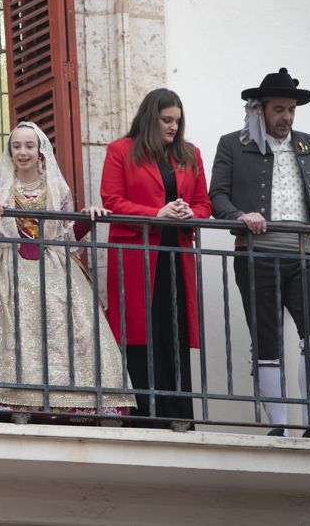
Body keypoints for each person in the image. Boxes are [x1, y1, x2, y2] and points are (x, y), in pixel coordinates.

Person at [208, 68, 310, 437]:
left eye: (291, 110)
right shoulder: (233, 143)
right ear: (259, 110)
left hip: (302, 252)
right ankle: (280, 426)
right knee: (268, 342)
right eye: (279, 109)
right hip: (256, 255)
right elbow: (217, 196)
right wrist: (239, 215)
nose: (287, 117)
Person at [0, 122, 135, 415]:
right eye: (16, 146)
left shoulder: (55, 186)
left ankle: (72, 404)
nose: (22, 152)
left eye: (29, 146)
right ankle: (4, 398)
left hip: (53, 266)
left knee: (69, 323)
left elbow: (66, 235)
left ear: (40, 150)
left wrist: (88, 219)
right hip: (6, 267)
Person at [100, 88, 211, 423]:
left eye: (177, 120)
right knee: (139, 333)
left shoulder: (190, 155)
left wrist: (188, 212)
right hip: (137, 257)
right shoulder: (121, 150)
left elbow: (205, 204)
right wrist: (156, 213)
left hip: (176, 257)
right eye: (166, 120)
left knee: (174, 333)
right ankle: (145, 414)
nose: (173, 127)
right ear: (150, 118)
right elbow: (112, 201)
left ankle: (179, 415)